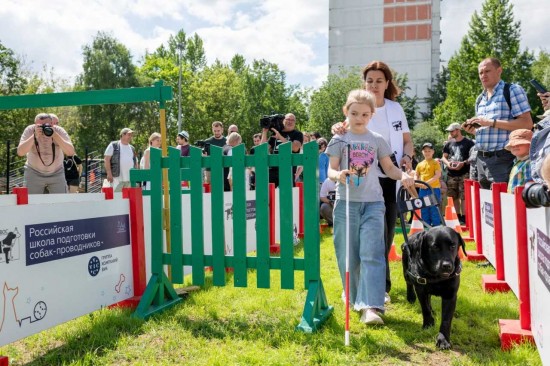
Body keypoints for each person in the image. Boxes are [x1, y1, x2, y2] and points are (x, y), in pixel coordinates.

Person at [326, 89, 414, 325]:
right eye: (354, 113)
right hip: (346, 205)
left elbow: (389, 169)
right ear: (346, 112)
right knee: (350, 257)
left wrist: (403, 175)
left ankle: (372, 307)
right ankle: (355, 297)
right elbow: (330, 169)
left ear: (372, 115)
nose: (359, 118)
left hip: (374, 204)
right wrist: (338, 175)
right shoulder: (339, 140)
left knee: (373, 254)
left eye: (365, 114)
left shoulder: (377, 139)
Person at [461, 57, 533, 189]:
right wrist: (474, 131)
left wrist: (490, 122)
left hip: (503, 158)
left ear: (499, 70)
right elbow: (488, 128)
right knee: (486, 207)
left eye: (487, 71)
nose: (483, 75)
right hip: (480, 159)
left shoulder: (512, 90)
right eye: (480, 73)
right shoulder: (479, 99)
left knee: (504, 205)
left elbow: (527, 123)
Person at [17, 113, 75, 194]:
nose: (43, 128)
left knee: (61, 201)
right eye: (40, 126)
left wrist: (55, 135)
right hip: (33, 172)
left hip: (57, 172)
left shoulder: (59, 131)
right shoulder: (30, 130)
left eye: (46, 125)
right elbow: (20, 152)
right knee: (31, 202)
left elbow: (70, 152)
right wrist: (34, 136)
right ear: (35, 124)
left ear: (52, 124)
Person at [441, 123, 475, 223]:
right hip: (451, 174)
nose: (450, 133)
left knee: (464, 196)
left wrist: (463, 163)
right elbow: (444, 157)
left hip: (464, 173)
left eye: (452, 131)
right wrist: (448, 164)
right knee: (453, 196)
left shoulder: (469, 142)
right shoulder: (449, 143)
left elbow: (473, 157)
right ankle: (457, 216)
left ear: (458, 130)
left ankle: (464, 217)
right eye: (450, 131)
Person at [261, 113, 303, 187]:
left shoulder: (297, 134)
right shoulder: (275, 133)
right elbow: (262, 149)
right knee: (269, 196)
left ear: (295, 122)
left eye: (292, 120)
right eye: (288, 119)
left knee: (288, 196)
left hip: (288, 169)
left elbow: (295, 147)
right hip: (273, 169)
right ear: (283, 120)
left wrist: (280, 137)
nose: (290, 122)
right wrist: (264, 132)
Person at [414, 143, 442, 226]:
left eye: (429, 151)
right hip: (422, 190)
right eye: (425, 151)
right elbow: (416, 174)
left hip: (433, 189)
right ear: (422, 152)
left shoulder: (435, 163)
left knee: (434, 208)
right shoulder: (420, 164)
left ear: (433, 151)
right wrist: (417, 182)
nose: (427, 153)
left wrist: (426, 183)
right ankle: (426, 226)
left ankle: (436, 227)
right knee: (424, 208)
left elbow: (437, 175)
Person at [104, 128, 138, 192]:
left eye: (131, 135)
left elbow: (135, 162)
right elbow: (106, 159)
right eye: (129, 135)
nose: (130, 136)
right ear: (122, 135)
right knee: (116, 197)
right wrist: (109, 173)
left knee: (128, 199)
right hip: (116, 179)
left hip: (130, 179)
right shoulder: (113, 145)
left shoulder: (132, 148)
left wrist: (136, 175)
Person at [505, 129, 532, 193]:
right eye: (512, 144)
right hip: (513, 199)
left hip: (522, 200)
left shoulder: (529, 163)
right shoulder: (517, 162)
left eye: (520, 143)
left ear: (530, 145)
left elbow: (530, 184)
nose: (515, 146)